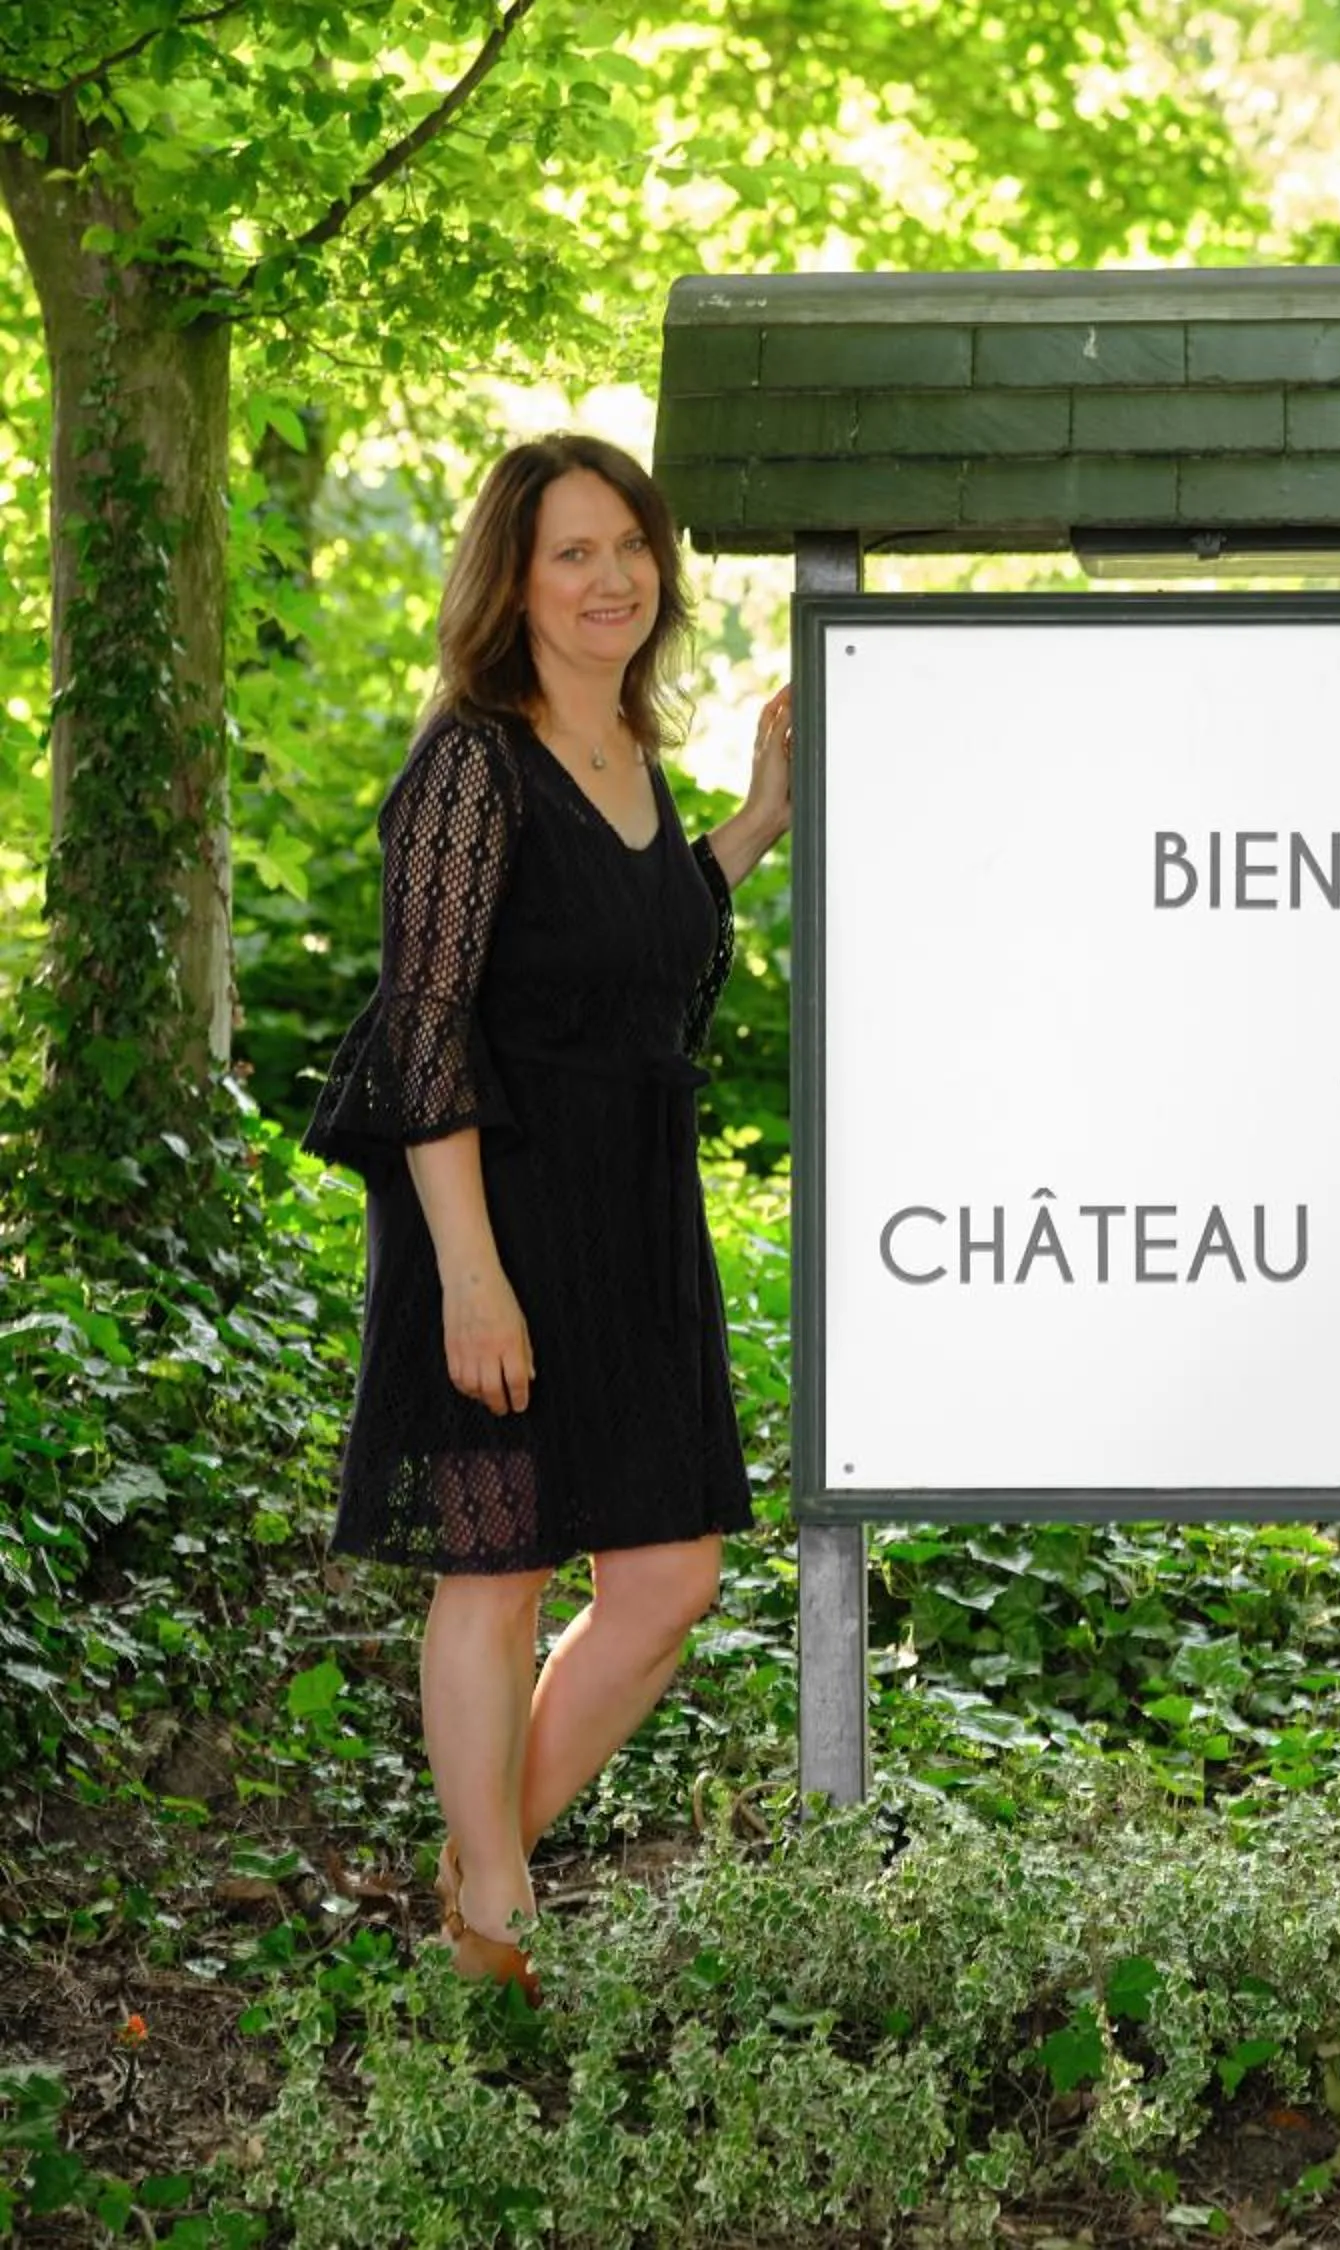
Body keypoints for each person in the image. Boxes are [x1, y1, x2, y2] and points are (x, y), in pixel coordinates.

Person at [304, 434, 793, 1999]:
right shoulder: (471, 761)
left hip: (632, 1213)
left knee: (666, 1580)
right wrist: (469, 1274)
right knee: (498, 1565)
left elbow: (640, 955)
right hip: (494, 1208)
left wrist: (759, 819)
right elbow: (424, 1028)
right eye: (572, 552)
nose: (611, 577)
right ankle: (497, 1924)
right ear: (511, 581)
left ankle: (478, 1869)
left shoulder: (632, 756)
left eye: (630, 546)